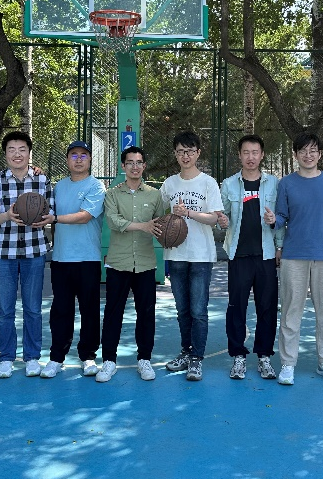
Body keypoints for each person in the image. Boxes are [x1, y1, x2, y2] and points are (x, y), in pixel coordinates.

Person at [272, 133, 323, 386]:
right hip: (294, 256)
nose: (308, 155)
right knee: (290, 312)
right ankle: (288, 364)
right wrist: (274, 221)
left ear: (320, 154)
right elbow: (282, 217)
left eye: (313, 150)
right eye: (303, 151)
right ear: (295, 154)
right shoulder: (286, 184)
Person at [0, 131, 54, 379]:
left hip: (35, 251)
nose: (17, 154)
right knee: (5, 309)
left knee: (33, 307)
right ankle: (6, 358)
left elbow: (51, 212)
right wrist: (8, 216)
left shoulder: (42, 180)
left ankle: (32, 357)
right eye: (12, 149)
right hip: (5, 251)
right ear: (5, 154)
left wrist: (44, 219)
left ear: (29, 152)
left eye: (22, 149)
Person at [96, 146, 167, 383]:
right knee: (113, 313)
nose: (134, 167)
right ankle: (109, 361)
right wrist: (143, 226)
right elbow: (114, 222)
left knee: (146, 313)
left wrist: (171, 227)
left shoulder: (155, 195)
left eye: (139, 162)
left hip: (146, 263)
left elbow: (161, 224)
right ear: (123, 166)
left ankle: (144, 359)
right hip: (118, 262)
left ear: (144, 166)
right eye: (130, 162)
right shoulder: (112, 194)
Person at [216, 134, 284, 380]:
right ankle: (238, 356)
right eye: (246, 152)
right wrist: (222, 221)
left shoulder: (274, 183)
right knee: (237, 307)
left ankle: (264, 356)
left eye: (255, 152)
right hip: (239, 255)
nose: (251, 157)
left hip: (266, 255)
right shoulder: (228, 184)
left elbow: (280, 219)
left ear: (262, 155)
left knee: (267, 307)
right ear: (240, 155)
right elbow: (221, 217)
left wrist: (279, 245)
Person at [40, 141, 106, 378]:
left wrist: (55, 219)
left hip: (87, 258)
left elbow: (85, 216)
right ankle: (57, 358)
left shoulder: (96, 186)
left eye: (83, 155)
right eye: (74, 155)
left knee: (89, 310)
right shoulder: (59, 186)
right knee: (61, 310)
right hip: (61, 258)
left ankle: (88, 356)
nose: (79, 159)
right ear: (67, 160)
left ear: (90, 160)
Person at [160, 131, 222, 381]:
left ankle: (197, 358)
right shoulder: (169, 184)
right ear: (175, 154)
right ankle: (185, 352)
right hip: (176, 254)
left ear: (198, 153)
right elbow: (159, 213)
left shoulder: (208, 183)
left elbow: (214, 218)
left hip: (201, 255)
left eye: (190, 151)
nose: (185, 156)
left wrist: (188, 213)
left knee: (198, 310)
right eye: (180, 151)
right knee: (182, 309)